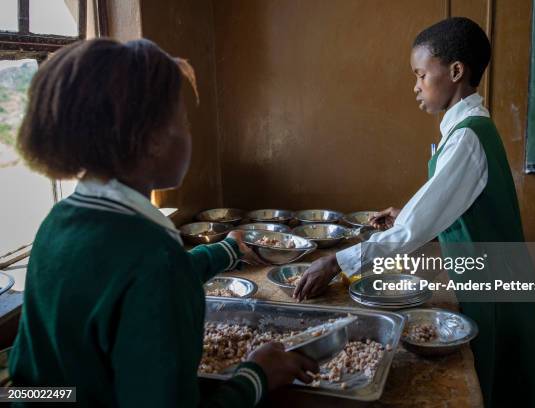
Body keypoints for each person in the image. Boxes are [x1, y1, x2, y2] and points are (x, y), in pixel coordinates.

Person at [9, 38, 317, 407]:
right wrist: (255, 376)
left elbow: (32, 377)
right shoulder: (154, 260)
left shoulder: (59, 223)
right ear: (153, 139)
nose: (188, 133)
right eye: (183, 121)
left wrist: (227, 250)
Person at [294, 17, 535, 407]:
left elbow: (415, 229)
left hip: (492, 287)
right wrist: (407, 212)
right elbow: (447, 202)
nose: (415, 86)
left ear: (455, 71)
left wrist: (336, 262)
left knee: (494, 388)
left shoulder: (467, 138)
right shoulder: (468, 128)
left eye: (420, 74)